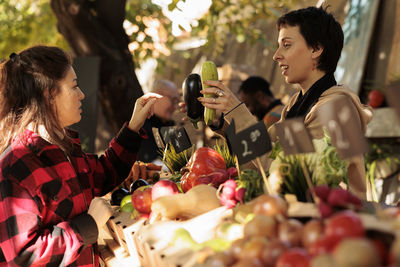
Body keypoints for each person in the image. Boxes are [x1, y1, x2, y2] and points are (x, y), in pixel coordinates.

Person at [0, 45, 160, 266]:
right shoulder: (15, 167)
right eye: (74, 87)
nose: (82, 94)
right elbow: (24, 256)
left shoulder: (63, 148)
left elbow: (106, 172)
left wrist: (133, 127)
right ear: (49, 96)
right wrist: (89, 225)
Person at [196, 6, 373, 199]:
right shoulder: (297, 104)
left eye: (286, 45)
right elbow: (263, 166)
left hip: (334, 220)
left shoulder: (337, 108)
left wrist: (239, 113)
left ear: (316, 49)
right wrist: (223, 124)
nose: (276, 55)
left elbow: (293, 177)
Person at [138, 79, 180, 165]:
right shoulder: (140, 127)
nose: (176, 107)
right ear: (156, 96)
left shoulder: (172, 127)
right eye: (173, 100)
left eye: (177, 101)